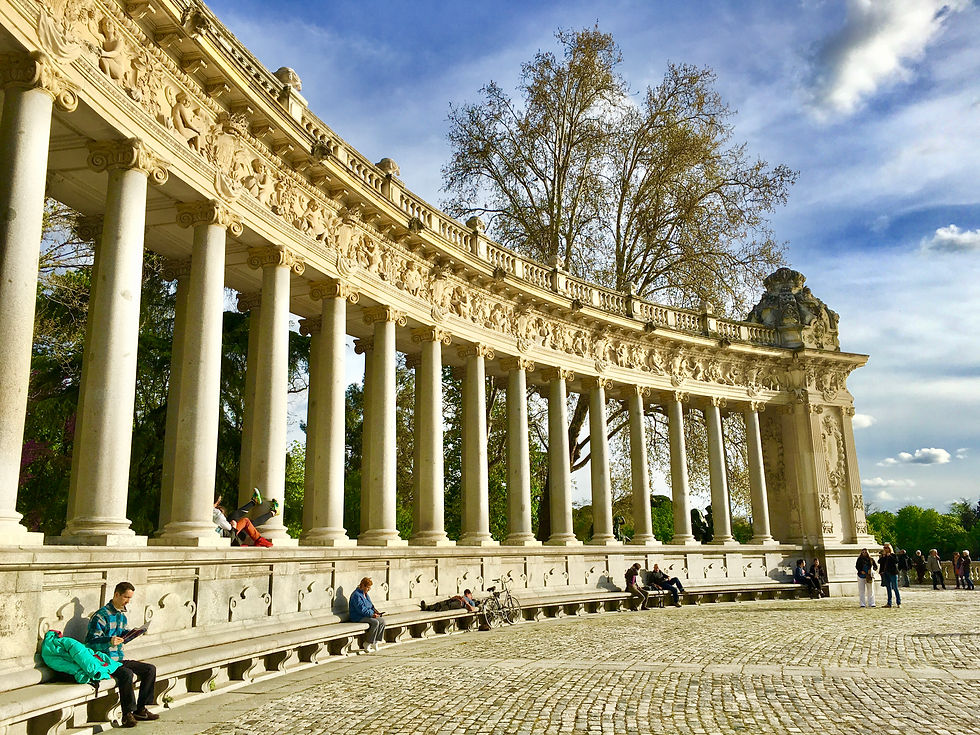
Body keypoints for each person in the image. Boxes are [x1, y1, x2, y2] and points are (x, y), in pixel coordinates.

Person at [86, 582, 159, 728]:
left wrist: (133, 633)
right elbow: (90, 643)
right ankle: (127, 714)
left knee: (150, 669)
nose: (128, 601)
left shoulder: (122, 616)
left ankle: (141, 709)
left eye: (130, 598)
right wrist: (109, 641)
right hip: (104, 661)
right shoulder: (100, 616)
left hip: (118, 659)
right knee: (126, 674)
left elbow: (122, 637)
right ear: (116, 594)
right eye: (126, 597)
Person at [213, 488, 279, 547]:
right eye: (219, 502)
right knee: (247, 521)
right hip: (232, 537)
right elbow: (229, 528)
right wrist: (234, 526)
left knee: (233, 516)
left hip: (227, 533)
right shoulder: (216, 513)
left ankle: (255, 502)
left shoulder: (213, 512)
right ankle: (273, 512)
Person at [349, 577, 385, 652]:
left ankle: (375, 642)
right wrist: (372, 615)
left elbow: (370, 605)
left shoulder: (365, 594)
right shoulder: (356, 595)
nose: (369, 589)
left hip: (366, 615)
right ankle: (368, 643)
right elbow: (361, 609)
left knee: (382, 621)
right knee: (375, 622)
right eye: (368, 587)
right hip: (357, 616)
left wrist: (375, 612)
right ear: (363, 586)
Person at [879, 543, 901, 608]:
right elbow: (879, 562)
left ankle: (898, 602)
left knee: (895, 588)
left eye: (886, 548)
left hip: (892, 573)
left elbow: (896, 561)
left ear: (889, 548)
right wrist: (883, 556)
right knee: (888, 588)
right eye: (884, 548)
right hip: (886, 573)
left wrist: (890, 556)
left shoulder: (893, 555)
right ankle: (889, 603)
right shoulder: (884, 556)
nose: (885, 549)